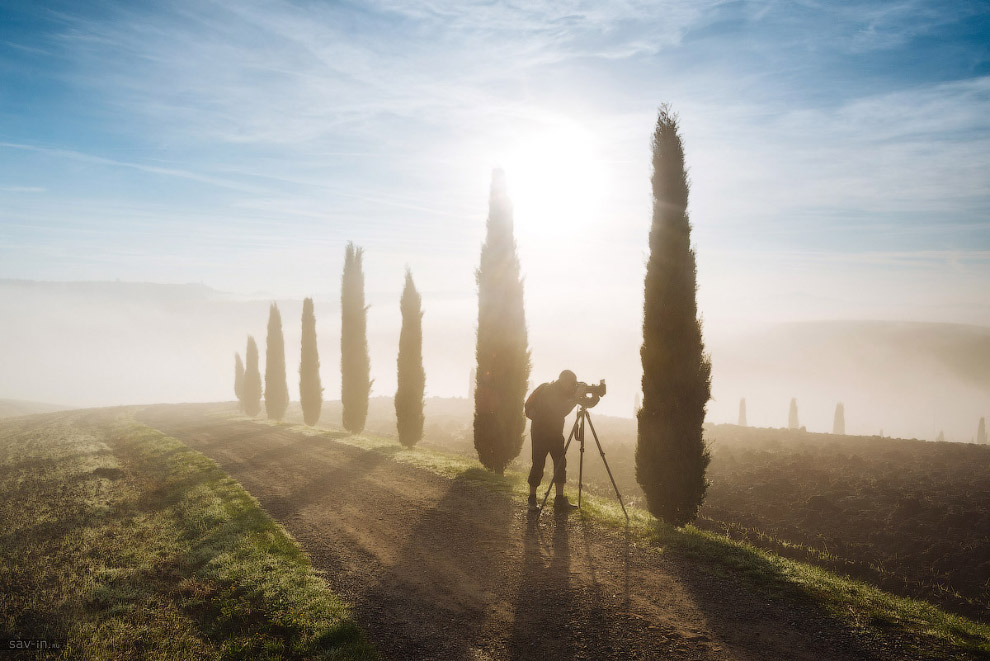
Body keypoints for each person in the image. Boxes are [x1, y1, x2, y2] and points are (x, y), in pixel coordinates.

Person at [524, 369, 600, 511]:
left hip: (555, 433)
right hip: (540, 432)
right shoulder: (549, 391)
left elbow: (587, 404)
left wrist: (595, 396)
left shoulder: (568, 392)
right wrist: (575, 397)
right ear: (564, 381)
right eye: (572, 383)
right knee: (538, 464)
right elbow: (560, 410)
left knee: (560, 464)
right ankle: (532, 499)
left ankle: (559, 500)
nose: (574, 386)